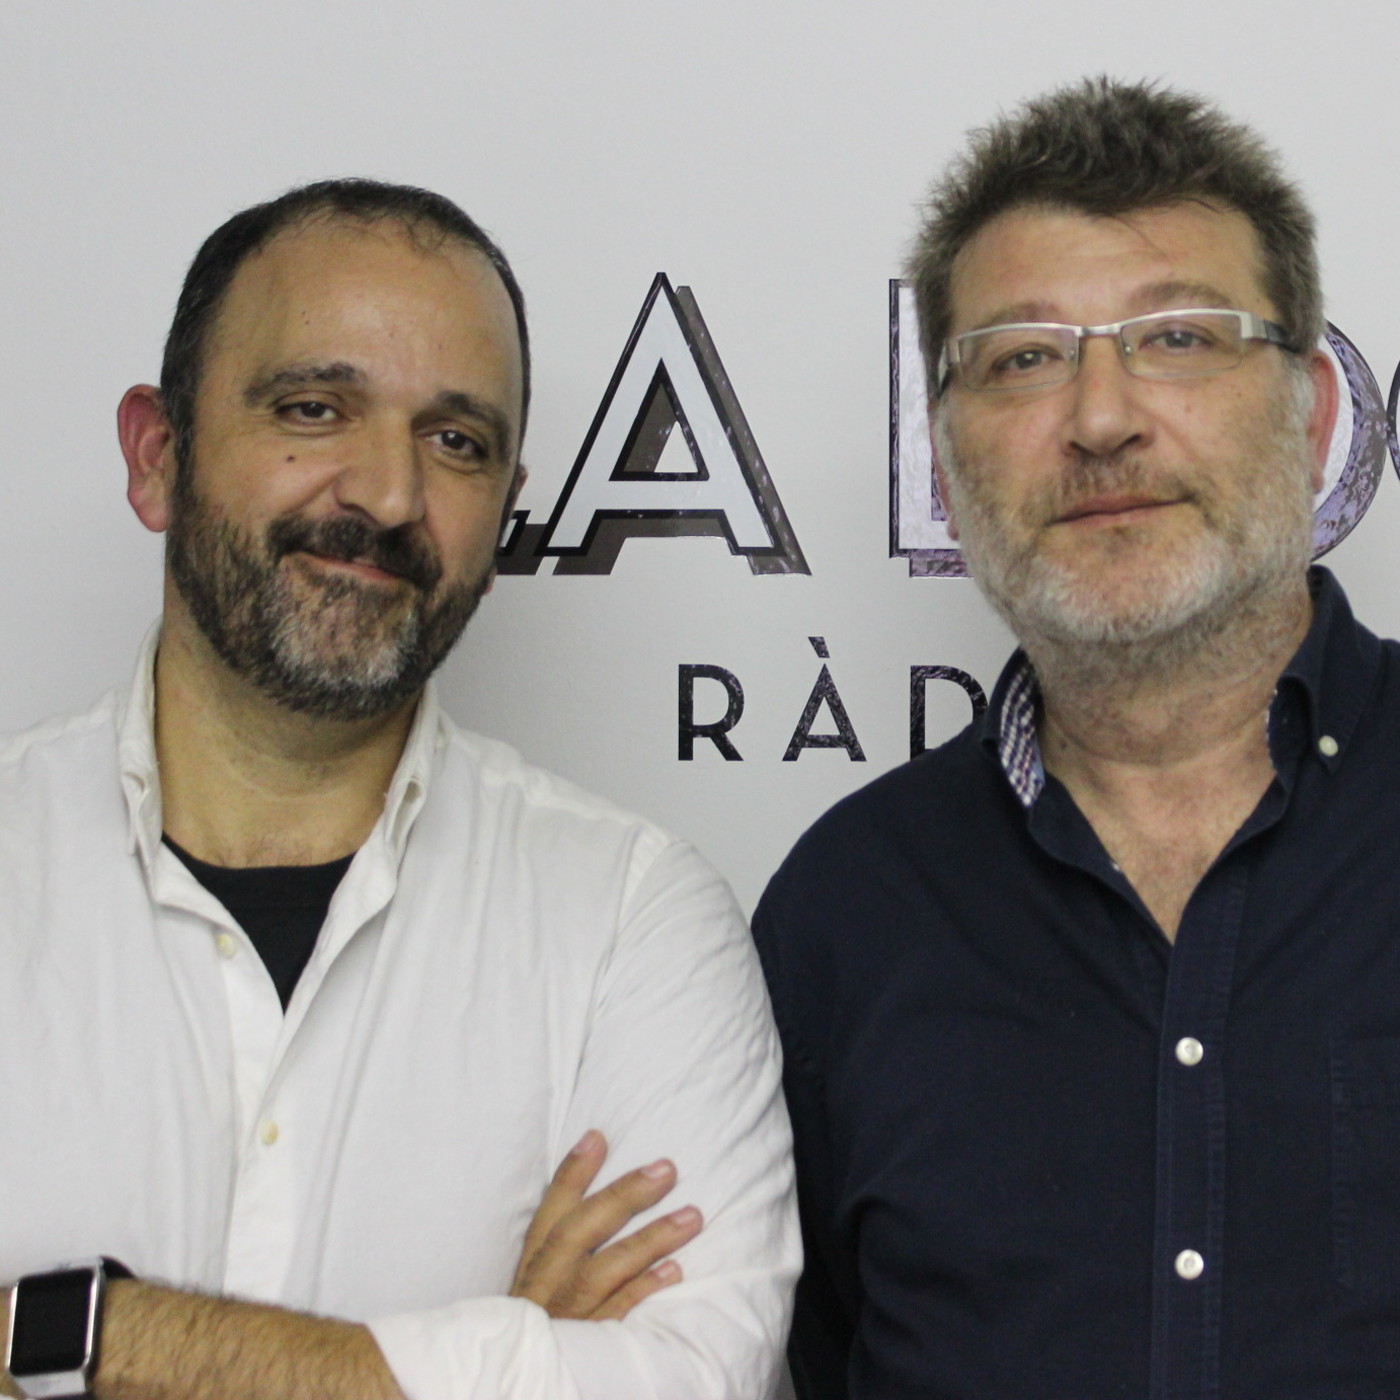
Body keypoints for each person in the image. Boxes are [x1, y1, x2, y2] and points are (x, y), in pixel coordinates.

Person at [0, 179, 796, 1400]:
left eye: (455, 441)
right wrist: (501, 1352)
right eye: (313, 409)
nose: (385, 494)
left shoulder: (628, 918)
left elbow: (689, 1381)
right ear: (158, 457)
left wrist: (86, 1337)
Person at [753, 77, 1400, 1398]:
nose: (1100, 418)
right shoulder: (843, 909)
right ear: (942, 461)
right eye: (1023, 358)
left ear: (1316, 415)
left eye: (1179, 337)